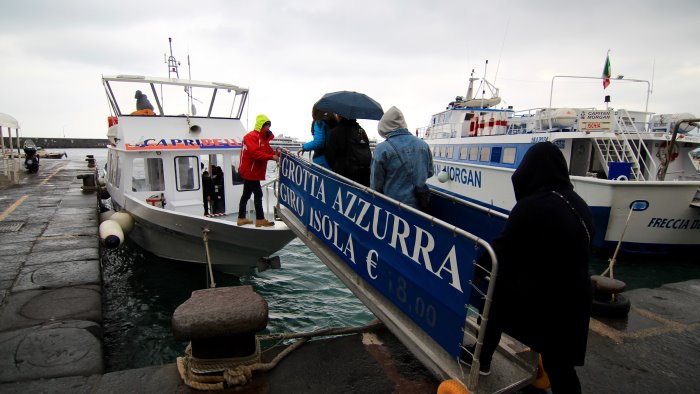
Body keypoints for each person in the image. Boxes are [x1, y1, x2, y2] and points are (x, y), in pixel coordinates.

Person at [465, 142, 593, 394]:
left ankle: (482, 360)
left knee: (494, 300)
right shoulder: (578, 202)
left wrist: (475, 271)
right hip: (575, 295)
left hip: (547, 297)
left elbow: (502, 249)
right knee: (561, 364)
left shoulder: (533, 206)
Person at [370, 106, 433, 208]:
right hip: (420, 204)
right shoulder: (423, 145)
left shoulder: (382, 149)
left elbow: (376, 184)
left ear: (384, 126)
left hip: (393, 207)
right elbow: (430, 172)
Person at [237, 114, 279, 227]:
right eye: (266, 126)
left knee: (246, 194)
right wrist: (272, 157)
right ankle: (260, 219)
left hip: (252, 171)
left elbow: (269, 151)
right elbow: (255, 154)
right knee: (258, 194)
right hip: (250, 171)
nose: (268, 128)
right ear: (261, 125)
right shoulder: (251, 136)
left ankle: (241, 218)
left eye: (269, 126)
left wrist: (280, 154)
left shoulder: (262, 139)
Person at [325, 114, 372, 186]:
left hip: (345, 174)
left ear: (340, 116)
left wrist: (336, 166)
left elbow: (330, 155)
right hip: (364, 173)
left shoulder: (336, 131)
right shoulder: (361, 131)